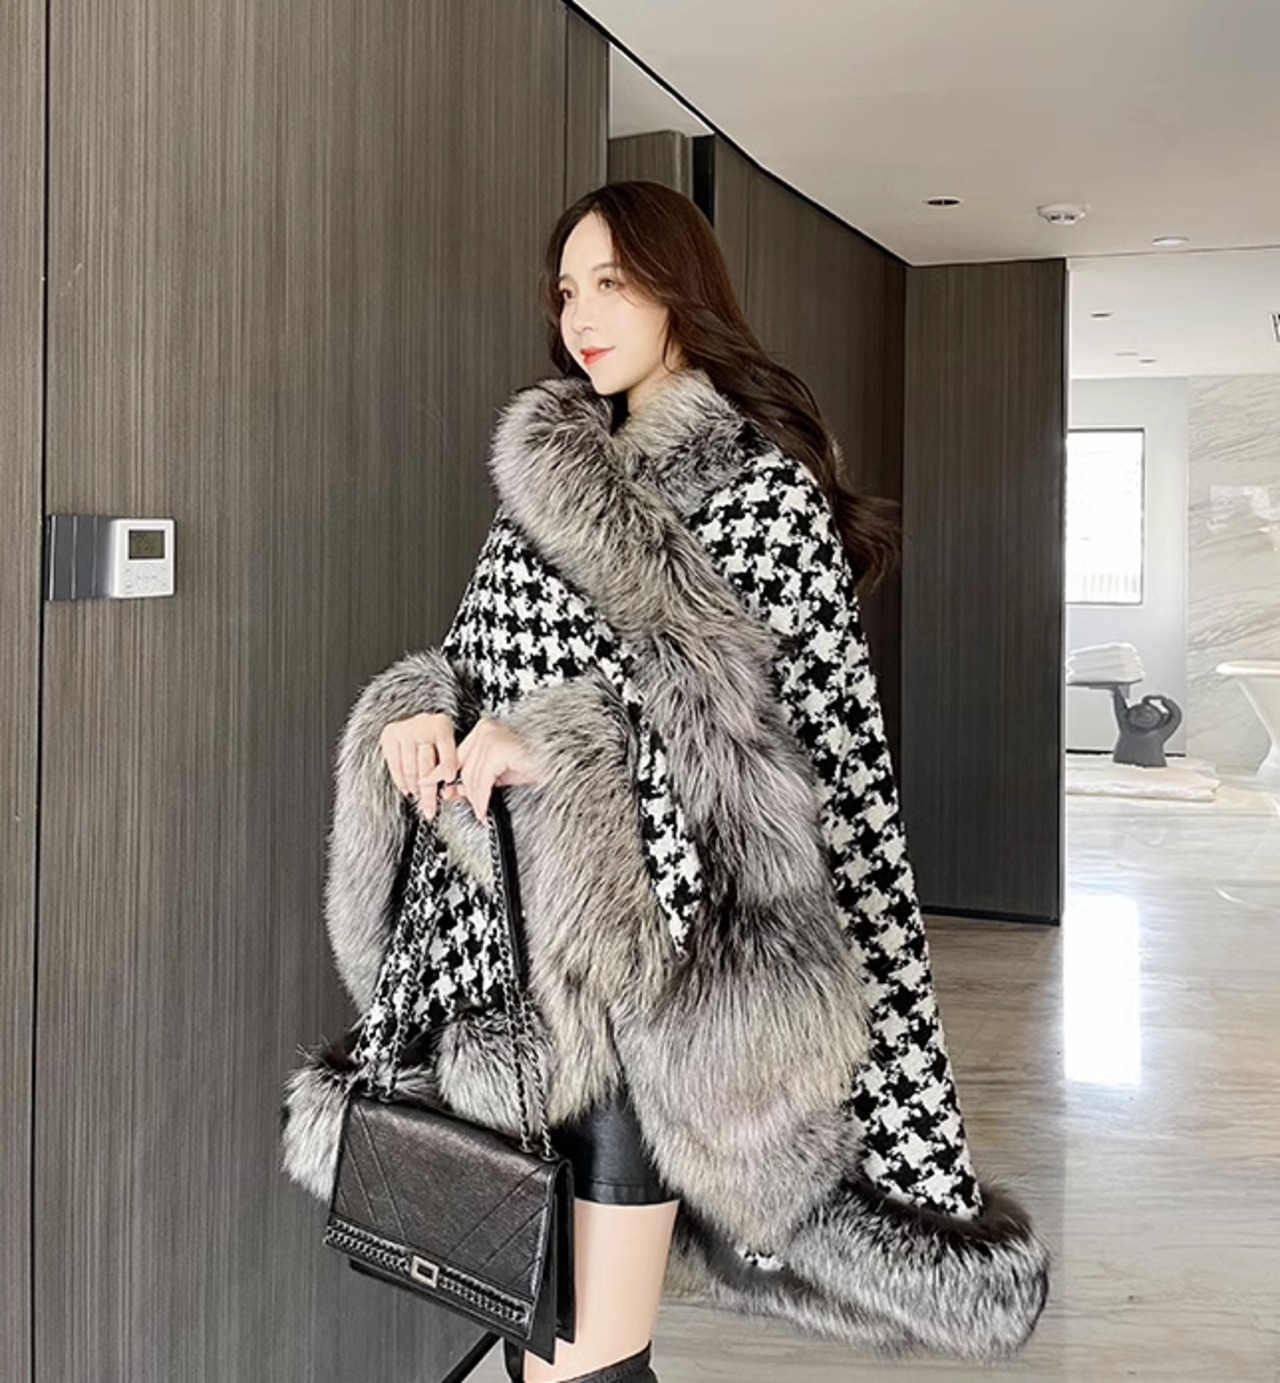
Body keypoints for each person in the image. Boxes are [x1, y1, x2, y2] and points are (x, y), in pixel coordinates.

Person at [282, 181, 1049, 1383]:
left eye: (613, 283)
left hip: (663, 993)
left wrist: (563, 749)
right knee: (553, 1351)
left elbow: (776, 768)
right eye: (566, 290)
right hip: (520, 978)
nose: (581, 316)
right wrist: (421, 710)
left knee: (582, 1360)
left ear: (679, 291)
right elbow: (479, 663)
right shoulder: (545, 470)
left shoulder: (763, 495)